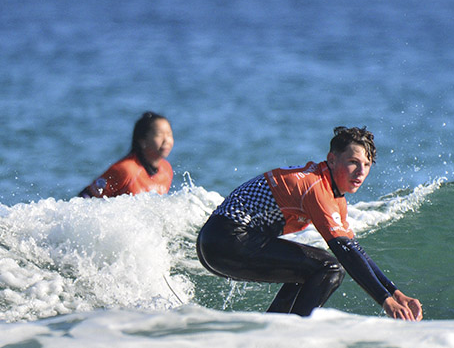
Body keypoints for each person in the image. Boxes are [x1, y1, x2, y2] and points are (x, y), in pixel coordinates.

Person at [196, 126, 423, 320]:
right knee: (330, 267)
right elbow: (344, 254)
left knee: (309, 268)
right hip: (226, 239)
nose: (361, 171)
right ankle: (294, 332)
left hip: (219, 241)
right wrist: (384, 301)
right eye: (353, 162)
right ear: (332, 160)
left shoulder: (333, 194)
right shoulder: (316, 187)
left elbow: (355, 251)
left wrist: (395, 293)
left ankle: (272, 327)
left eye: (367, 164)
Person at [78, 112, 175, 198]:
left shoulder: (166, 170)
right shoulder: (126, 170)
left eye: (169, 134)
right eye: (159, 135)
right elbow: (85, 197)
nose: (167, 140)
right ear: (142, 141)